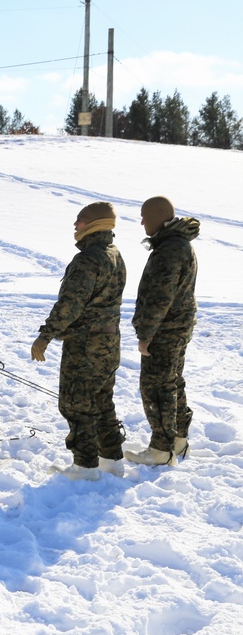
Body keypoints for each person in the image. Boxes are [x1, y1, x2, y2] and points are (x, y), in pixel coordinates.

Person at [30, 201, 126, 480]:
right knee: (101, 399)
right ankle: (111, 460)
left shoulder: (88, 259)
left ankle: (85, 467)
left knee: (76, 402)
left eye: (80, 221)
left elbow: (69, 306)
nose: (75, 225)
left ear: (95, 224)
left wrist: (45, 336)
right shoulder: (115, 254)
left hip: (86, 345)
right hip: (110, 342)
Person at [125, 196, 200, 467]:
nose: (142, 221)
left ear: (159, 216)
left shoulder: (169, 249)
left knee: (156, 387)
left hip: (165, 330)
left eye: (145, 215)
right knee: (171, 382)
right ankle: (178, 440)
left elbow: (160, 298)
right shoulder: (177, 243)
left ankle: (160, 449)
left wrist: (145, 335)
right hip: (177, 326)